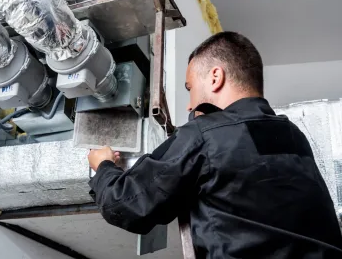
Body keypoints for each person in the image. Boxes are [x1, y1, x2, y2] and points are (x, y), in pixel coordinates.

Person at [87, 32, 342, 258]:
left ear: (215, 77)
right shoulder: (294, 135)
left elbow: (126, 203)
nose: (189, 104)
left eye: (190, 88)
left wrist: (103, 166)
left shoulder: (206, 133)